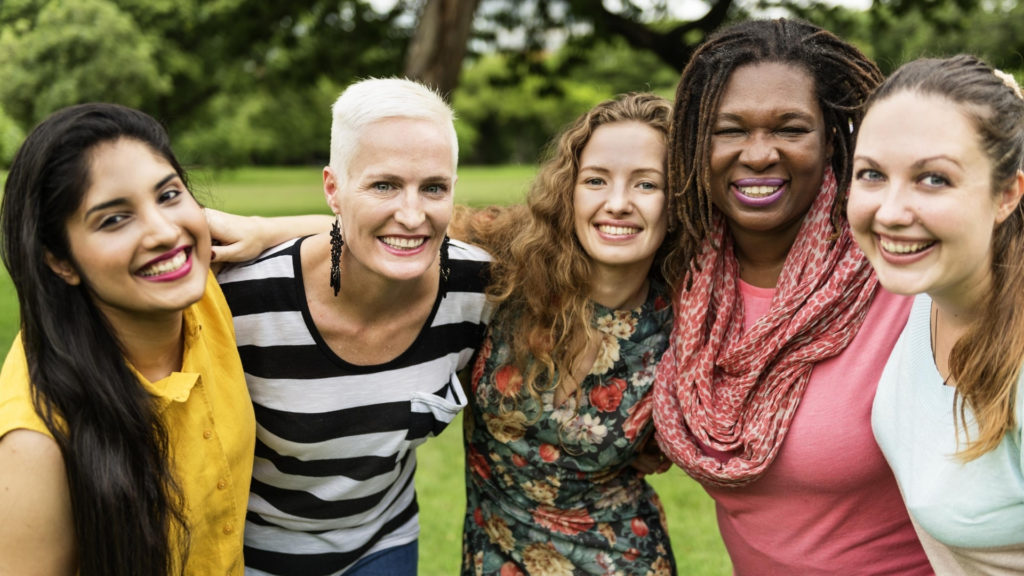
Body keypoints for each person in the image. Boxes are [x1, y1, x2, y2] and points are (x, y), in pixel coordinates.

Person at [650, 18, 933, 574]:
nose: (759, 155)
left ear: (832, 137)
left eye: (790, 128)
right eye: (729, 130)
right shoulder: (678, 278)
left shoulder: (901, 276)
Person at [214, 78, 492, 575]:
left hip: (385, 544)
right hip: (254, 554)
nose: (412, 214)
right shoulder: (243, 301)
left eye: (434, 187)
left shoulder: (476, 291)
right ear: (333, 189)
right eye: (383, 185)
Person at [0, 103, 255, 575]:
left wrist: (264, 230)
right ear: (60, 261)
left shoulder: (198, 287)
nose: (163, 232)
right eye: (114, 219)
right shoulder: (32, 443)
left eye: (169, 195)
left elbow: (394, 233)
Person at [455, 93, 678, 575]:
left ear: (676, 200)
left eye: (646, 184)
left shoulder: (686, 319)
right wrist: (265, 232)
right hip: (494, 556)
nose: (617, 204)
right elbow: (390, 237)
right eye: (596, 180)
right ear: (568, 190)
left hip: (623, 558)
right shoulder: (507, 265)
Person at [848, 54, 1024, 574]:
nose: (892, 212)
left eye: (934, 180)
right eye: (872, 174)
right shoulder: (925, 294)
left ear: (1007, 194)